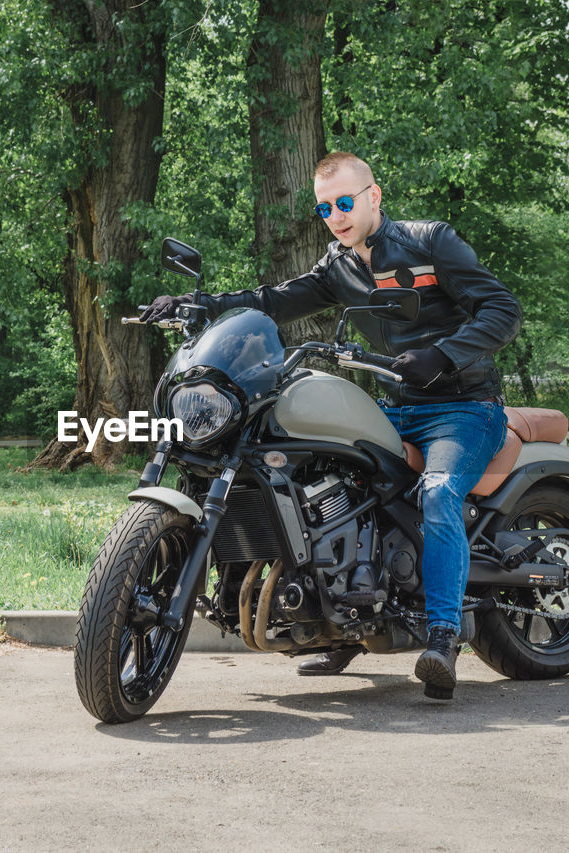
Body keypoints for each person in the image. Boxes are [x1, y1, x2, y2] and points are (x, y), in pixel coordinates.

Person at [140, 152, 521, 700]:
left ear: (374, 196)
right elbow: (272, 300)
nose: (336, 216)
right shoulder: (338, 265)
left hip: (464, 406)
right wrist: (198, 305)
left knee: (438, 494)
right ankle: (343, 618)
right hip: (395, 406)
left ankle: (441, 637)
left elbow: (502, 309)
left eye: (345, 202)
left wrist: (443, 355)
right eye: (325, 209)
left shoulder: (430, 241)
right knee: (325, 480)